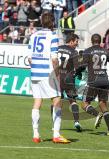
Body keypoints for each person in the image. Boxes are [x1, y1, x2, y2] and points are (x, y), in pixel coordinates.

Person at [28, 12, 70, 144]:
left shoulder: (33, 35)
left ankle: (36, 134)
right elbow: (54, 59)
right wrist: (57, 74)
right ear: (52, 22)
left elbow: (29, 58)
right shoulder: (52, 36)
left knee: (37, 103)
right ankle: (56, 135)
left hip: (35, 73)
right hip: (47, 73)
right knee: (57, 101)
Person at [79, 33, 109, 136]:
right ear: (100, 42)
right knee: (103, 104)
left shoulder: (88, 51)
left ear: (91, 41)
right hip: (104, 80)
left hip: (93, 81)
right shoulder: (106, 52)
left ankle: (97, 114)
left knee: (84, 104)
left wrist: (77, 72)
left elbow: (82, 65)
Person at [56, 33, 82, 132]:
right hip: (69, 79)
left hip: (58, 78)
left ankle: (55, 125)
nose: (77, 44)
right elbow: (77, 67)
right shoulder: (74, 52)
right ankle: (76, 122)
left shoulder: (57, 48)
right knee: (73, 101)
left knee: (56, 101)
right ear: (71, 41)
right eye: (76, 41)